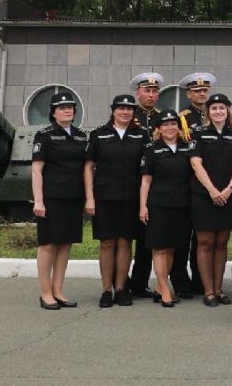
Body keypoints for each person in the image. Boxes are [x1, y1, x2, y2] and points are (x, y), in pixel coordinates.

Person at [84, 93, 148, 308]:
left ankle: (121, 289)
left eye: (129, 109)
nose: (125, 112)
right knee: (107, 242)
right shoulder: (99, 134)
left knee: (125, 242)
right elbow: (88, 167)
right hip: (105, 197)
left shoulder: (141, 135)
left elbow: (146, 169)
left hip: (131, 196)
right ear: (113, 111)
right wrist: (89, 198)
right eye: (121, 108)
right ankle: (106, 289)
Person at [32, 91, 87, 310]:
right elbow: (37, 170)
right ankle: (45, 292)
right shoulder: (44, 135)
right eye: (62, 108)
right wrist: (38, 201)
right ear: (53, 112)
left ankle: (58, 290)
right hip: (51, 197)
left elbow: (85, 168)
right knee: (48, 244)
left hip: (74, 197)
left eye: (70, 107)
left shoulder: (81, 136)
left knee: (65, 243)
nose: (67, 111)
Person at [188, 92, 232, 307]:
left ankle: (219, 289)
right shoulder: (199, 134)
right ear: (208, 112)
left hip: (228, 195)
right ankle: (208, 291)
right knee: (205, 242)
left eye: (222, 108)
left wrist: (229, 189)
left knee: (221, 243)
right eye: (214, 108)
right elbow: (196, 164)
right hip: (204, 195)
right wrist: (212, 190)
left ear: (227, 111)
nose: (218, 112)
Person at [139, 110, 194, 307]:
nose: (170, 128)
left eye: (173, 124)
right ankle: (164, 290)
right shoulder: (152, 149)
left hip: (182, 205)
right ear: (159, 129)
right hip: (159, 205)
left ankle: (160, 287)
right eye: (165, 125)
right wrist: (143, 206)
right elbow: (146, 180)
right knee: (160, 248)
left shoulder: (187, 148)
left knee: (172, 248)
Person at [125, 71, 165, 299]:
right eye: (147, 91)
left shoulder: (161, 117)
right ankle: (120, 282)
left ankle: (139, 282)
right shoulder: (129, 114)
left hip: (154, 183)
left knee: (146, 238)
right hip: (130, 181)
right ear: (138, 93)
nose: (151, 95)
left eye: (154, 91)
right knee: (124, 235)